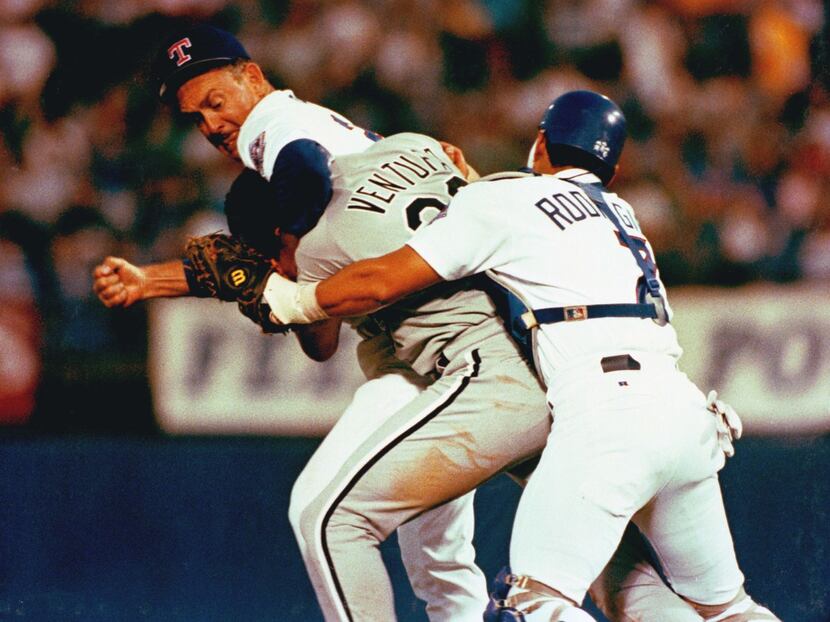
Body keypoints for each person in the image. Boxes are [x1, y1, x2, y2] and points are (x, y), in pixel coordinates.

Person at [95, 24, 706, 621]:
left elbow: (305, 202)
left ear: (253, 77)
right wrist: (157, 279)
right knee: (592, 569)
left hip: (479, 368)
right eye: (195, 117)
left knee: (328, 517)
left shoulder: (279, 146)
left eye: (215, 102)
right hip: (553, 364)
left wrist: (268, 266)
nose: (210, 124)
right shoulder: (396, 142)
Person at [258, 90, 779, 622]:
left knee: (528, 607)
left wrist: (294, 299)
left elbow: (382, 279)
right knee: (727, 608)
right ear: (613, 167)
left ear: (540, 141)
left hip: (608, 413)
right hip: (686, 413)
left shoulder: (504, 199)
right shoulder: (619, 209)